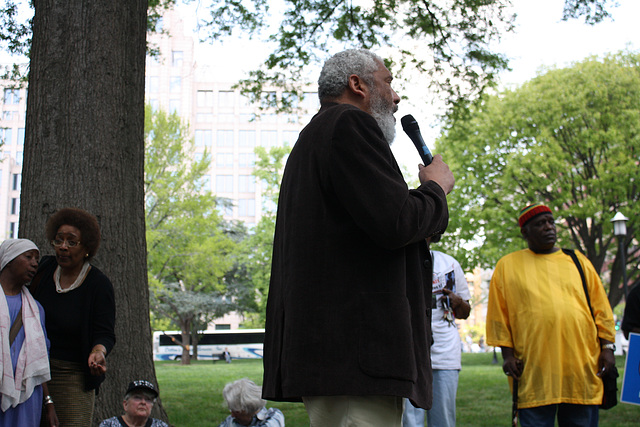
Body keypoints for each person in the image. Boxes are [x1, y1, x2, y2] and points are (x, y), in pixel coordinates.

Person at [262, 49, 454, 426]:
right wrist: (435, 190)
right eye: (389, 82)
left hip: (335, 355)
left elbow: (364, 232)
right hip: (356, 357)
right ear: (357, 84)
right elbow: (396, 222)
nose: (396, 96)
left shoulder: (314, 137)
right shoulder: (351, 124)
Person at [486, 203, 616, 427]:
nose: (548, 227)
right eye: (540, 224)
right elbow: (499, 316)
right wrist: (507, 356)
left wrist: (607, 348)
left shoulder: (578, 260)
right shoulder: (507, 266)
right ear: (525, 232)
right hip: (534, 372)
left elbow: (601, 309)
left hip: (581, 370)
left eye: (551, 222)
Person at [30, 207, 116, 426]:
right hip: (34, 373)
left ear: (86, 247)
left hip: (73, 376)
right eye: (59, 240)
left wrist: (98, 352)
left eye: (71, 242)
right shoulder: (43, 269)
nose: (63, 247)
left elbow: (104, 333)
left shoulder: (98, 284)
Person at [403, 234, 471, 427]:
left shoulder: (449, 264)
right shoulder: (399, 264)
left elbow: (465, 312)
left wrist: (458, 302)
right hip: (410, 354)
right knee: (409, 421)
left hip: (444, 354)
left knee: (443, 420)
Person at [0, 239, 57, 427]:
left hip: (26, 395)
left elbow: (40, 361)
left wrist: (48, 403)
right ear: (8, 259)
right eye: (28, 257)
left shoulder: (35, 309)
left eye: (37, 259)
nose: (34, 263)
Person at [99, 380, 168, 427]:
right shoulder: (109, 425)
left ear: (151, 406)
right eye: (137, 398)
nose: (143, 402)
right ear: (125, 404)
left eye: (148, 399)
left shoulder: (160, 425)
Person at [218, 378, 284, 427]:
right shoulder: (231, 420)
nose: (232, 415)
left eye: (236, 411)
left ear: (249, 409)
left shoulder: (274, 416)